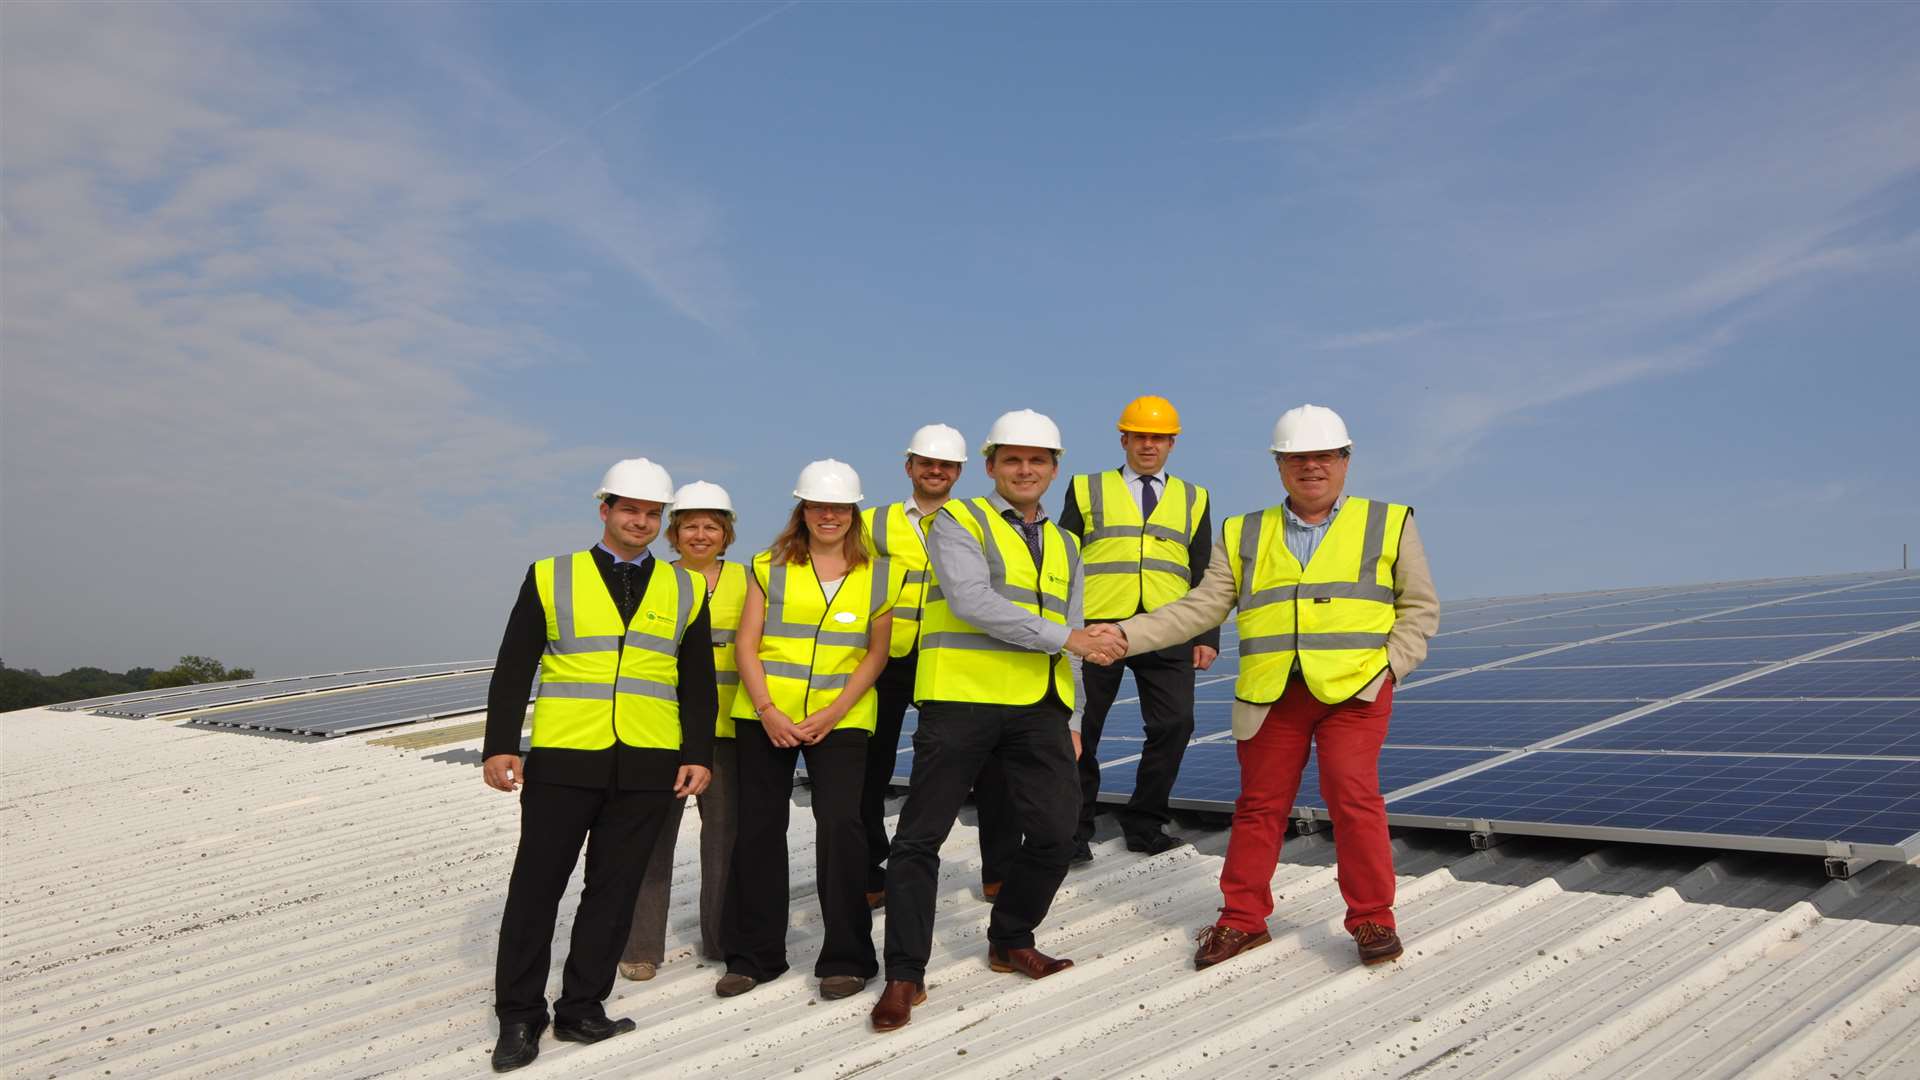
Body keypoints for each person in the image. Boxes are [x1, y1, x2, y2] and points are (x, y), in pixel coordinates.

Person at [1088, 404, 1438, 971]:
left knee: (1354, 801)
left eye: (1323, 456)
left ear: (1345, 461)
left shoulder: (1389, 521)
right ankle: (1242, 920)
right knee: (1258, 808)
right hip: (1272, 694)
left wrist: (1389, 668)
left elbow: (1419, 608)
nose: (1311, 467)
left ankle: (1372, 916)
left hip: (1354, 693)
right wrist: (1125, 633)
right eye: (1297, 458)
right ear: (1279, 466)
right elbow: (1200, 607)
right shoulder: (1244, 531)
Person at [871, 409, 1123, 1033]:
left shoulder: (1066, 543)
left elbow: (1077, 638)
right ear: (990, 467)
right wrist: (1068, 637)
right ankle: (904, 973)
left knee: (1058, 831)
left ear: (1054, 470)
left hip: (1040, 706)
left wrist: (1073, 712)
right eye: (1012, 460)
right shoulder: (958, 520)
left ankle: (1011, 936)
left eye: (1037, 461)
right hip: (961, 700)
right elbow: (970, 600)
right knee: (918, 841)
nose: (1025, 469)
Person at [482, 458, 715, 1073]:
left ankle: (583, 1005)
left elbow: (696, 683)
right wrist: (500, 743)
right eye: (629, 509)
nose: (640, 520)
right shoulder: (551, 574)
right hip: (563, 758)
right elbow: (514, 665)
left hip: (647, 761)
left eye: (651, 512)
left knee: (613, 892)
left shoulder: (686, 587)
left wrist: (698, 753)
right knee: (536, 889)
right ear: (605, 509)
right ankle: (520, 1015)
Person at [717, 459, 905, 1001]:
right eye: (819, 506)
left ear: (854, 511)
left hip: (841, 718)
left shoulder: (882, 573)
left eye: (839, 507)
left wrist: (835, 711)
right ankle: (754, 956)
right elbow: (745, 644)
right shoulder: (768, 565)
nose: (829, 515)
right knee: (757, 830)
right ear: (802, 509)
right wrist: (768, 709)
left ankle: (846, 957)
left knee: (843, 829)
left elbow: (877, 654)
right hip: (765, 716)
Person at [859, 424, 1023, 908]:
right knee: (870, 764)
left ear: (960, 472)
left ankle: (1000, 871)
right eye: (926, 463)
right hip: (885, 656)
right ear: (908, 466)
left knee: (991, 765)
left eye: (946, 465)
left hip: (954, 656)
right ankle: (871, 873)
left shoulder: (978, 520)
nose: (936, 471)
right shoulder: (871, 522)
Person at [1060, 394, 1216, 859]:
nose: (1149, 445)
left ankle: (1146, 822)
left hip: (1168, 631)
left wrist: (1206, 635)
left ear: (1172, 444)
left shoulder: (1194, 497)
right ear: (1124, 438)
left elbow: (1204, 568)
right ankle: (1074, 829)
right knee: (1081, 728)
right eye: (1141, 436)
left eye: (1159, 438)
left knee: (1175, 723)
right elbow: (1063, 558)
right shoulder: (1087, 488)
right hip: (1097, 628)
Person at [620, 482, 747, 981]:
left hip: (728, 731)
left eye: (711, 526)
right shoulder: (652, 579)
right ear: (674, 532)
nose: (700, 534)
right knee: (652, 839)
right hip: (663, 731)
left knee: (724, 839)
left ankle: (720, 939)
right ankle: (640, 946)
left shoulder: (750, 579)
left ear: (726, 533)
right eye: (690, 525)